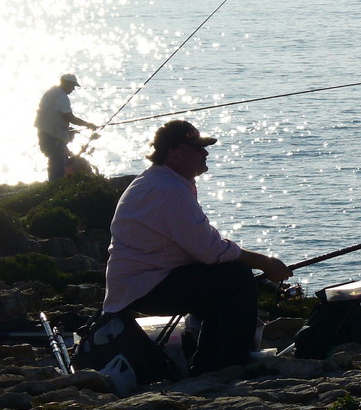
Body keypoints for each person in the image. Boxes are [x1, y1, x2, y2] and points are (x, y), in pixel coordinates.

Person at [103, 120, 292, 375]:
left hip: (143, 282)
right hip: (146, 287)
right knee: (235, 276)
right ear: (174, 152)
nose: (205, 153)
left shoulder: (161, 181)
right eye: (197, 148)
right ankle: (222, 364)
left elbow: (201, 247)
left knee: (223, 277)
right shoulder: (167, 190)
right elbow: (211, 251)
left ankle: (211, 357)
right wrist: (265, 263)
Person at [34, 74, 98, 181]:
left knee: (55, 162)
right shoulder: (61, 97)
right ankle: (56, 187)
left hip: (44, 133)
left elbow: (53, 116)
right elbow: (69, 117)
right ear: (64, 82)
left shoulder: (51, 92)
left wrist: (68, 130)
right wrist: (88, 124)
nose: (73, 89)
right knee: (57, 165)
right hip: (52, 137)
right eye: (72, 85)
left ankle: (55, 185)